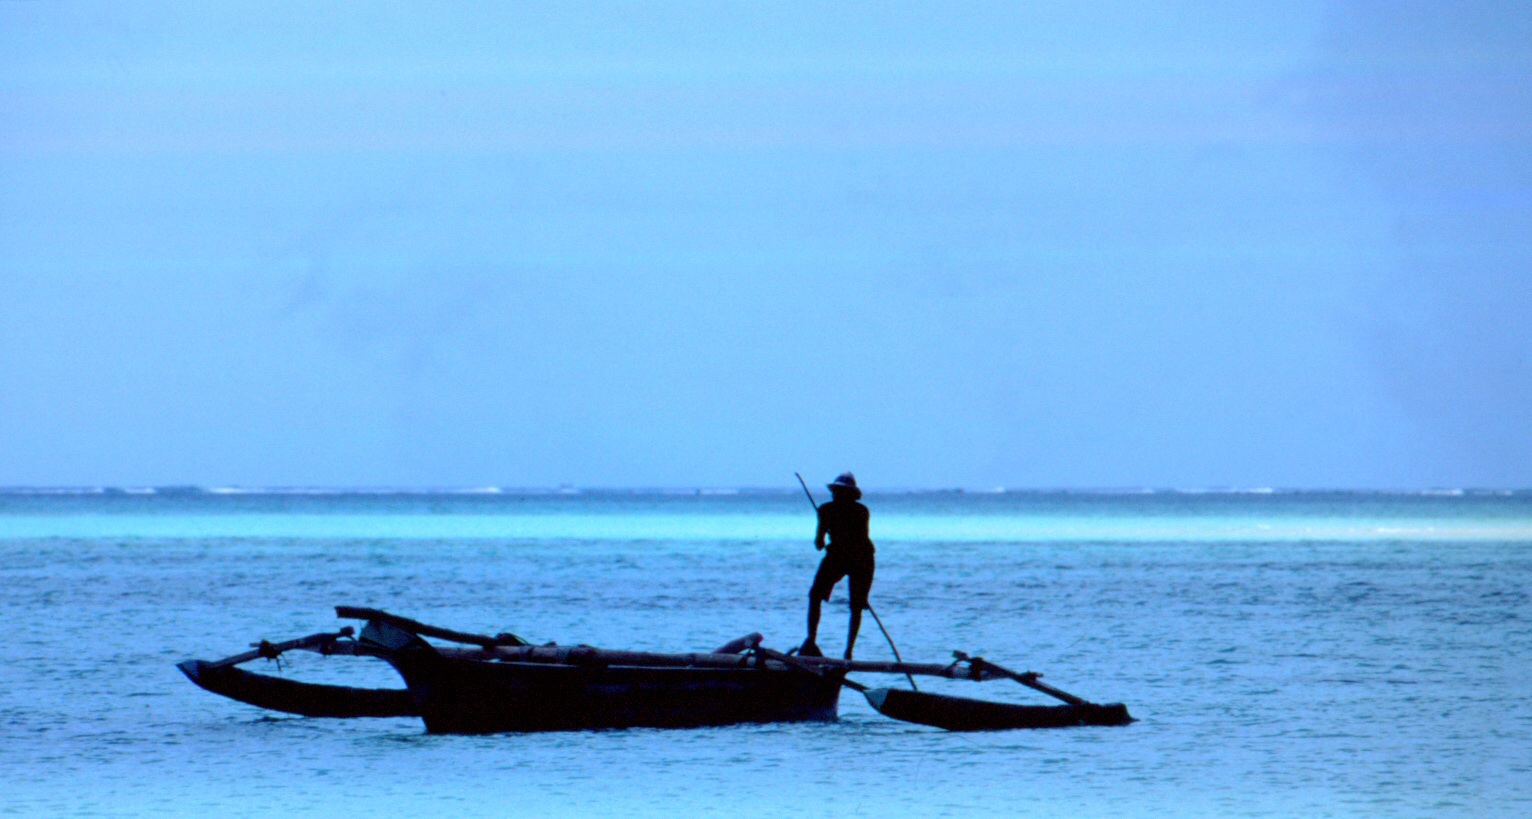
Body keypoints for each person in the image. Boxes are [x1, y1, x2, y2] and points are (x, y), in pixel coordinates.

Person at [800, 472, 875, 660]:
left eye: (840, 492)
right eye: (836, 491)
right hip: (840, 556)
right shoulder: (827, 510)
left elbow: (820, 543)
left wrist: (823, 535)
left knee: (857, 605)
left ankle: (848, 650)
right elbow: (819, 542)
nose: (836, 495)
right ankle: (811, 640)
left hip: (860, 558)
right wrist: (822, 535)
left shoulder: (858, 511)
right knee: (815, 595)